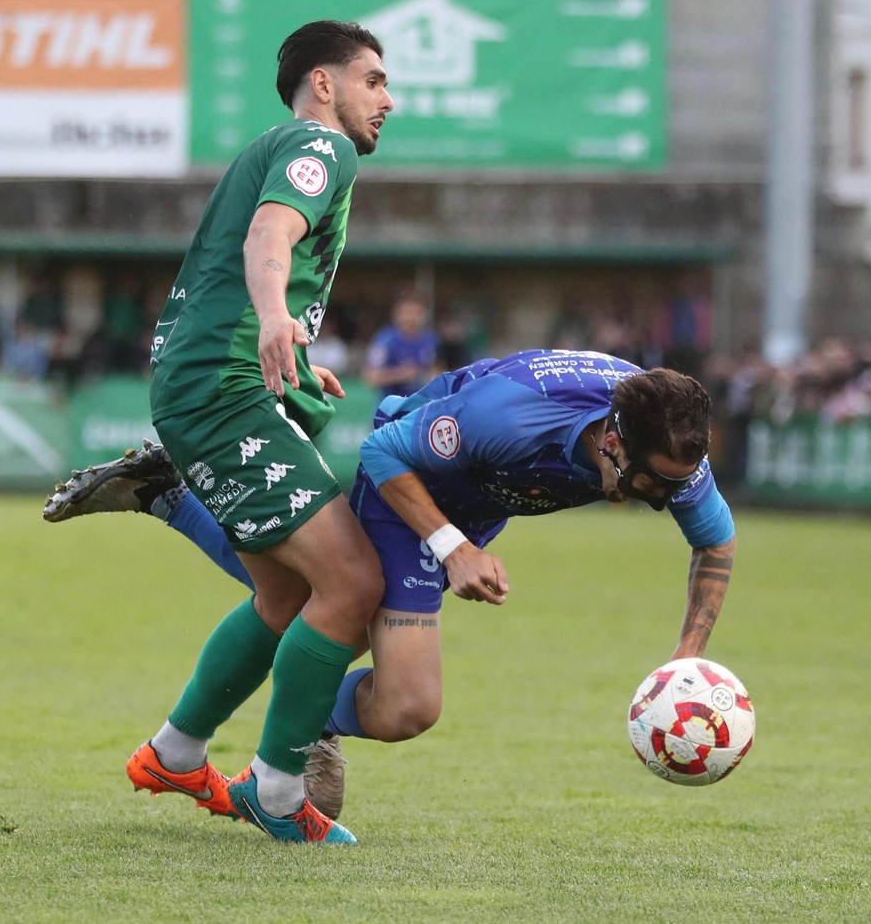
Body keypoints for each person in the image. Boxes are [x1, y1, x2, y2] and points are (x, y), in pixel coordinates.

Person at [44, 350, 737, 823]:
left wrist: (686, 657)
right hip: (408, 477)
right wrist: (452, 546)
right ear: (613, 443)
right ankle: (174, 505)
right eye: (654, 484)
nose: (663, 500)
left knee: (307, 600)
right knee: (396, 688)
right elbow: (384, 451)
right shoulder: (511, 417)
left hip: (470, 504)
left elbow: (715, 543)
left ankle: (167, 497)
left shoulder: (667, 446)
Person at [124, 19, 394, 845]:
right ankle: (276, 791)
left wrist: (294, 355)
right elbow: (270, 232)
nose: (388, 99)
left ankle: (174, 753)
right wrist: (277, 317)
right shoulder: (321, 146)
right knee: (353, 584)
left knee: (286, 597)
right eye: (374, 80)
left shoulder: (280, 145)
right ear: (324, 84)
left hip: (209, 384)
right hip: (222, 390)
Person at [361, 293, 440, 398]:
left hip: (420, 405)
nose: (411, 318)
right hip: (392, 406)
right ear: (396, 314)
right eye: (407, 313)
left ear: (424, 315)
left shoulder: (430, 339)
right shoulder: (385, 340)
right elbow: (370, 378)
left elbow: (436, 369)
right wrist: (401, 374)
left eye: (416, 313)